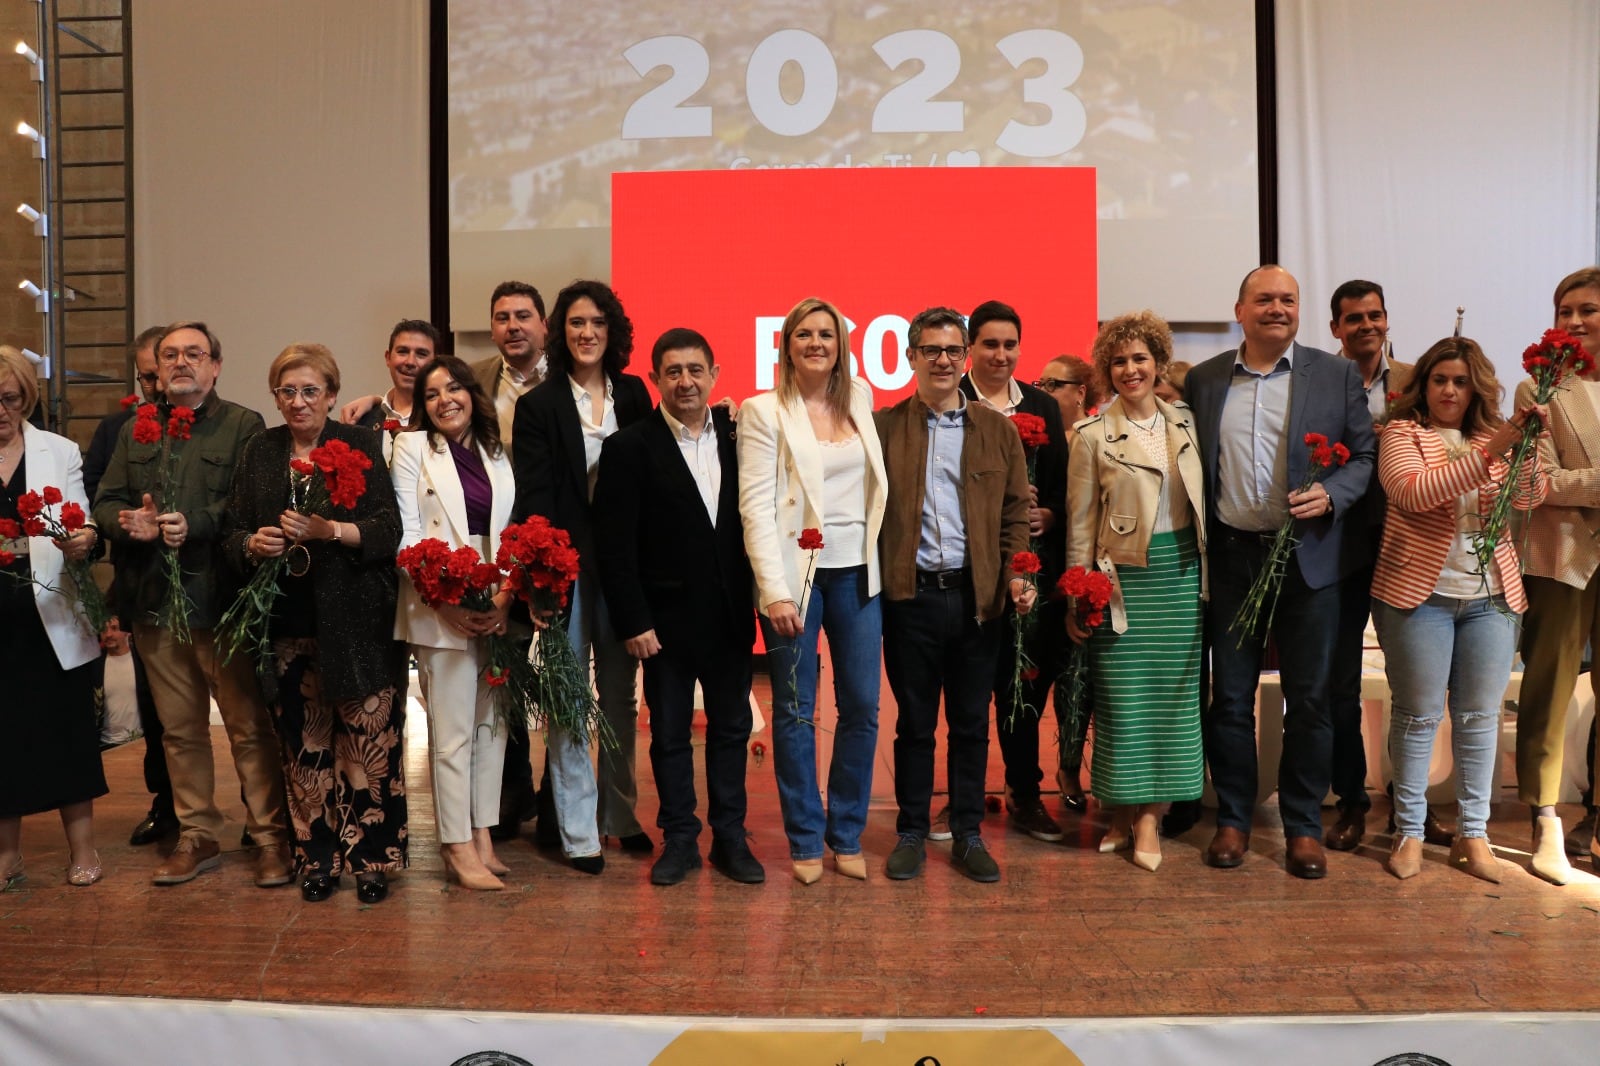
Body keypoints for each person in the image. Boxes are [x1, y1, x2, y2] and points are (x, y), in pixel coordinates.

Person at [1185, 266, 1375, 879]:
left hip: (1310, 558)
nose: (1276, 308)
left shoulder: (1337, 373)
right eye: (1263, 299)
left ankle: (1301, 827)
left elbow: (1365, 455)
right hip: (1234, 557)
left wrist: (1334, 494)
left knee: (1310, 700)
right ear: (1238, 309)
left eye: (1288, 299)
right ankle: (1235, 819)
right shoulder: (1206, 379)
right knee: (1232, 699)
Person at [92, 320, 291, 888]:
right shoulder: (138, 429)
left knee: (248, 727)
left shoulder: (243, 426)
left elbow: (251, 506)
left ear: (215, 366)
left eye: (194, 354)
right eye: (171, 355)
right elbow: (105, 500)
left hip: (222, 600)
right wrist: (125, 522)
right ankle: (198, 834)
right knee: (179, 731)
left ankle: (271, 838)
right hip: (156, 603)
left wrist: (194, 524)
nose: (182, 363)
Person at [222, 343, 406, 903]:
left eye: (309, 391)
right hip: (286, 621)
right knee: (304, 747)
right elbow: (231, 533)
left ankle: (373, 860)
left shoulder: (361, 444)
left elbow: (386, 529)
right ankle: (317, 858)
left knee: (367, 740)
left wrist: (331, 531)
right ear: (275, 396)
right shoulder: (260, 450)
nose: (297, 402)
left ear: (331, 395)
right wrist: (252, 543)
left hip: (356, 618)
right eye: (286, 391)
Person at [1372, 337, 1547, 881]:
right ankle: (1409, 832)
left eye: (1461, 381)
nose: (1450, 390)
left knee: (1477, 718)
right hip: (1417, 595)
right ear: (1423, 384)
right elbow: (1413, 492)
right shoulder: (1402, 433)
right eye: (1440, 379)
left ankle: (1474, 836)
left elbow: (1528, 497)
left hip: (1491, 596)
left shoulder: (1488, 437)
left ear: (1477, 388)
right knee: (1419, 715)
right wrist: (1497, 448)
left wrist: (1526, 450)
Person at [595, 328, 764, 886]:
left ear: (715, 375)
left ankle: (731, 839)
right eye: (673, 371)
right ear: (655, 379)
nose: (686, 381)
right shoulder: (628, 448)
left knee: (732, 729)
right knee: (667, 733)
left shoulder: (743, 440)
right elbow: (615, 548)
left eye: (696, 370)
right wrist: (634, 620)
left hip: (730, 616)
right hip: (661, 624)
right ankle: (681, 840)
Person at [876, 306, 1034, 884]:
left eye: (952, 350)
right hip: (909, 599)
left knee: (971, 724)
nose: (943, 360)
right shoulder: (884, 427)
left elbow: (1017, 513)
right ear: (912, 356)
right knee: (914, 725)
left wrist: (1019, 573)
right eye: (930, 350)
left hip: (978, 600)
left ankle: (967, 834)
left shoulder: (997, 430)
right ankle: (913, 832)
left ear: (963, 357)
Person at [738, 298, 887, 884]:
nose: (816, 343)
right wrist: (772, 590)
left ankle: (845, 831)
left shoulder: (863, 399)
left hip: (860, 575)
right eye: (805, 334)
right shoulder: (763, 411)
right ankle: (805, 838)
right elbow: (754, 505)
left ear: (841, 344)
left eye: (826, 333)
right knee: (797, 712)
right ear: (787, 344)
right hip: (797, 581)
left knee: (863, 708)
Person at [512, 278, 651, 871]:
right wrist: (539, 583)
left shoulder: (637, 394)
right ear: (558, 333)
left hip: (626, 573)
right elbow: (536, 502)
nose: (586, 333)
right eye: (575, 323)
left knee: (620, 698)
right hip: (565, 574)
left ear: (611, 330)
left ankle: (617, 815)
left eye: (596, 323)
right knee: (571, 702)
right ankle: (578, 834)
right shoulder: (538, 405)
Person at [1065, 311, 1206, 872]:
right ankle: (1121, 808)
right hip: (1122, 581)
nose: (1130, 369)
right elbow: (1080, 522)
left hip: (1183, 577)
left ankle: (1149, 817)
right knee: (1125, 705)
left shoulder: (1188, 423)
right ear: (1107, 369)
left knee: (1172, 706)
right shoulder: (1090, 436)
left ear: (1158, 363)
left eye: (1140, 358)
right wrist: (1081, 592)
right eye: (1119, 361)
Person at [1320, 281, 1453, 852]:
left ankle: (1410, 808)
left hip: (1410, 546)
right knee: (1340, 681)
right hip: (1343, 546)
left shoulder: (1417, 382)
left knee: (1414, 685)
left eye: (1375, 315)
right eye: (1354, 319)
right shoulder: (1320, 382)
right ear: (1336, 329)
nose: (1367, 326)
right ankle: (1350, 801)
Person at [392, 355, 519, 891]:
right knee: (452, 733)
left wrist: (506, 596)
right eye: (431, 393)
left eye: (455, 388)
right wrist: (442, 599)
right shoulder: (410, 448)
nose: (445, 399)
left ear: (472, 393)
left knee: (492, 728)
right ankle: (454, 844)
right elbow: (406, 532)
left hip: (491, 600)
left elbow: (509, 531)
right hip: (438, 604)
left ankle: (481, 832)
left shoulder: (495, 450)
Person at [957, 300, 1069, 844]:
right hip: (968, 571)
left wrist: (1049, 511)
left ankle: (1026, 795)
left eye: (1009, 345)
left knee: (1023, 688)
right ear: (969, 348)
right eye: (989, 344)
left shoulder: (1044, 406)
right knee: (969, 691)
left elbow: (1064, 486)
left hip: (1030, 571)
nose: (1000, 355)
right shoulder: (951, 401)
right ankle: (962, 801)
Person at [0, 348, 106, 887]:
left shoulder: (58, 450)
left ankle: (83, 850)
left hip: (49, 612)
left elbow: (82, 520)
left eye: (9, 398)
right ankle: (7, 855)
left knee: (67, 734)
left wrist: (84, 538)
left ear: (26, 398)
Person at [1513, 265, 1600, 882]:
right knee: (1549, 684)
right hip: (1563, 555)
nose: (1573, 321)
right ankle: (1544, 818)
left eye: (1587, 310)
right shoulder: (1537, 389)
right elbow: (1537, 484)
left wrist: (1581, 485)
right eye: (1564, 310)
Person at [83, 326, 178, 845]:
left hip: (204, 587)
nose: (155, 386)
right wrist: (125, 522)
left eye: (159, 374)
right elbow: (97, 499)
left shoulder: (216, 423)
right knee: (154, 706)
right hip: (142, 583)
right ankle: (165, 805)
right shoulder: (118, 428)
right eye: (145, 376)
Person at [1034, 352, 1096, 810]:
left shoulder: (1097, 438)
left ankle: (1071, 768)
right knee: (1033, 680)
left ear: (1080, 393)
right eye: (1042, 381)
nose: (1045, 390)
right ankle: (1027, 780)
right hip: (1040, 576)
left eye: (1055, 384)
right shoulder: (1036, 440)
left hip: (1085, 577)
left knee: (1079, 680)